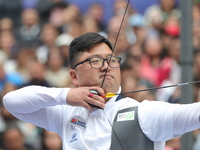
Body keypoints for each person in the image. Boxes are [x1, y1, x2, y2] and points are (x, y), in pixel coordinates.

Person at [2, 32, 200, 150]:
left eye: (112, 60)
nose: (107, 66)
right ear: (74, 76)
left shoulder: (144, 113)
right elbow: (12, 102)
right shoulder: (65, 113)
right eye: (95, 61)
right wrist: (67, 95)